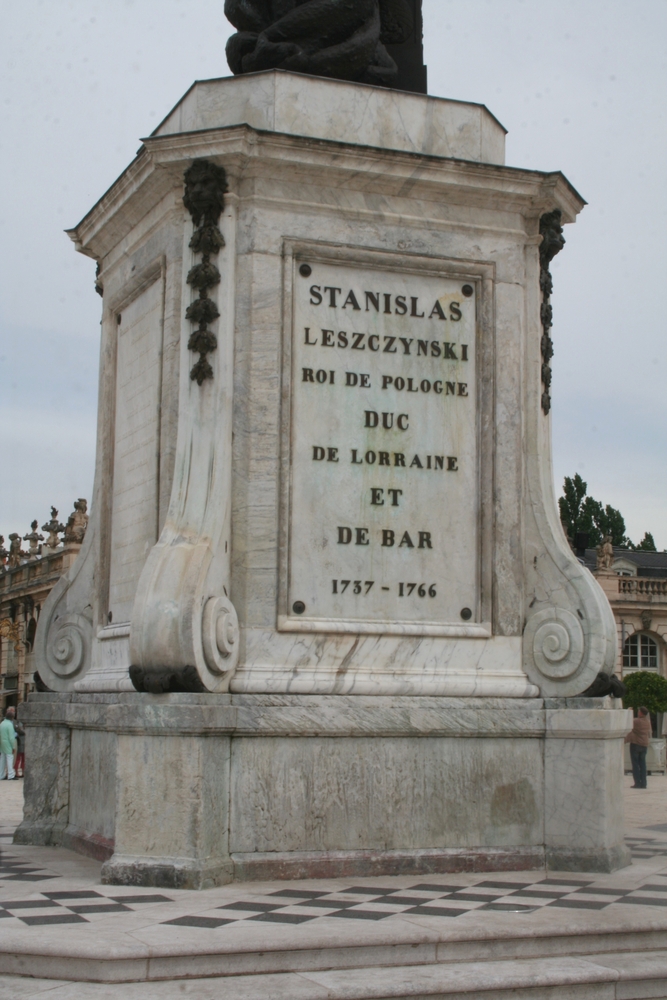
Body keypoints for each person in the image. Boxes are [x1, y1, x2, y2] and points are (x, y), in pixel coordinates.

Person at [625, 706, 652, 789]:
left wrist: (628, 712)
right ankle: (644, 783)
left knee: (635, 764)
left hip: (636, 744)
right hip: (644, 744)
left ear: (641, 713)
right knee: (643, 764)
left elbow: (627, 721)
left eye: (639, 711)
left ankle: (637, 783)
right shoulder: (647, 722)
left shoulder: (637, 721)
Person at [0, 707, 17, 780]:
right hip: (8, 743)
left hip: (2, 743)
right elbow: (11, 737)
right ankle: (11, 775)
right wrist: (13, 747)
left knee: (2, 759)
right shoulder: (9, 725)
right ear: (12, 717)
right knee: (10, 758)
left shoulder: (2, 723)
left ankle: (1, 774)